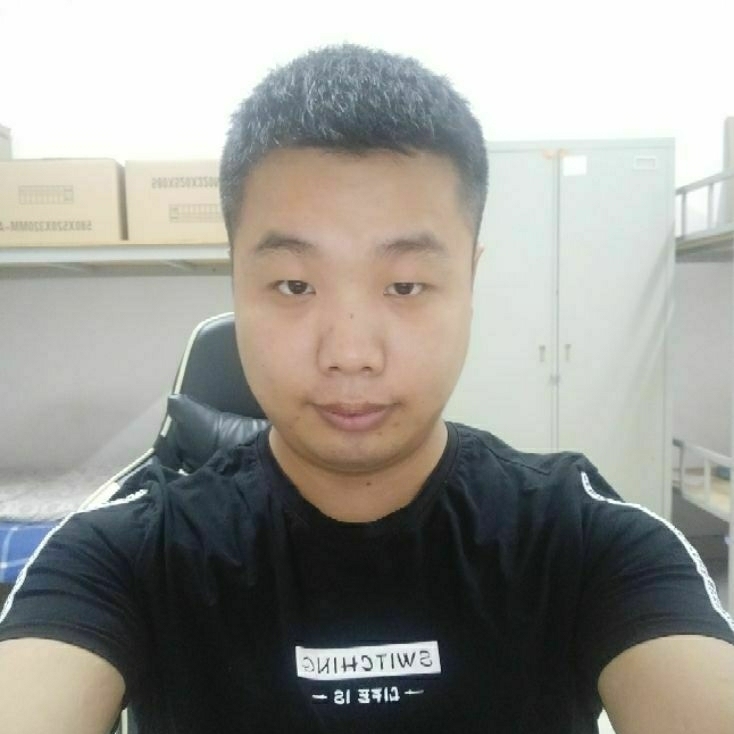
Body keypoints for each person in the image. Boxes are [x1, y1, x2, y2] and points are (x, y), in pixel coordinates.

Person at [0, 43, 733, 734]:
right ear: (235, 279)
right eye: (294, 285)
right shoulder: (126, 554)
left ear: (470, 281)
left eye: (406, 285)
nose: (350, 354)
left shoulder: (583, 539)